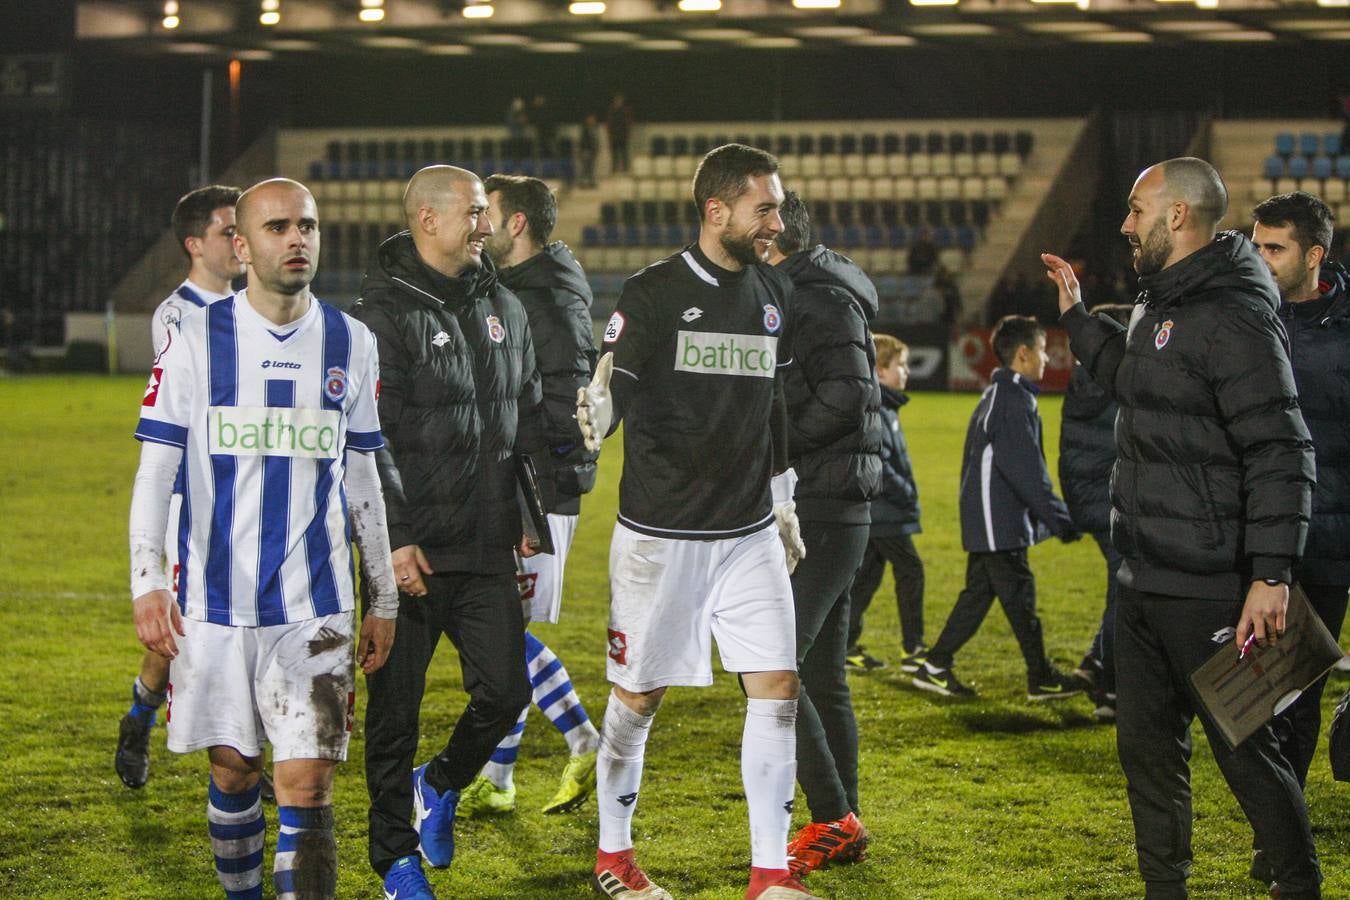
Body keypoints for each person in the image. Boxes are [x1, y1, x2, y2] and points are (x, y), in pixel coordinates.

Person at [1043, 156, 1321, 899]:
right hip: (1139, 575)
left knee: (1247, 756)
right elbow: (1136, 378)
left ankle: (1299, 884)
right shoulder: (1161, 303)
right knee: (1145, 754)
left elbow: (1280, 446)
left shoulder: (1232, 314)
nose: (1125, 225)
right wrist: (1075, 315)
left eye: (1137, 211)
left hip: (1207, 584)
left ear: (1177, 217)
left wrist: (1270, 573)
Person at [129, 177, 398, 899]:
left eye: (306, 226)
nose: (297, 239)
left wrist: (385, 598)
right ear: (242, 246)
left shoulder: (352, 340)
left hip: (316, 607)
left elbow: (364, 478)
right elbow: (156, 470)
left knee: (306, 785)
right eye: (278, 227)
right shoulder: (192, 340)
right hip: (214, 606)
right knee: (233, 770)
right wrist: (149, 582)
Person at [575, 144, 812, 900]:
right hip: (661, 538)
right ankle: (615, 858)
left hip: (747, 535)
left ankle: (769, 875)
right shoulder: (651, 292)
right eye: (763, 207)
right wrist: (600, 409)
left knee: (778, 688)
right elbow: (615, 387)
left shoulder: (771, 293)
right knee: (639, 699)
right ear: (717, 212)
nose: (776, 219)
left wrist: (783, 500)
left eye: (776, 206)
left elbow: (770, 405)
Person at [353, 165, 548, 900]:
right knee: (393, 714)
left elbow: (521, 416)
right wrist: (393, 540)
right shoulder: (379, 316)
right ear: (428, 221)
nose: (486, 225)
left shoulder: (503, 302)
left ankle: (438, 784)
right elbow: (368, 440)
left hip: (485, 540)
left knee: (505, 692)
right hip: (407, 551)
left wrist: (527, 512)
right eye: (472, 213)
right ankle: (394, 861)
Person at [451, 173, 601, 819]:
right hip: (515, 485)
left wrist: (542, 495)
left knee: (494, 633)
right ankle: (502, 776)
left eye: (490, 213)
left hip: (532, 494)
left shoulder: (551, 301)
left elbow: (571, 409)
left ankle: (583, 737)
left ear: (517, 224)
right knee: (504, 632)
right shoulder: (523, 289)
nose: (480, 224)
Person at [765, 191, 882, 879]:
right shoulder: (808, 292)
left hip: (824, 505)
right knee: (824, 678)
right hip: (833, 503)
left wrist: (775, 445)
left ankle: (832, 815)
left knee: (774, 661)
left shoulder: (819, 300)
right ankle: (846, 821)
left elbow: (847, 396)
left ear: (776, 237)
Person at [116, 183, 244, 791]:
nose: (240, 239)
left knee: (254, 621)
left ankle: (249, 750)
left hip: (247, 497)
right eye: (228, 230)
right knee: (180, 634)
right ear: (195, 244)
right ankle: (141, 717)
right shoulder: (177, 315)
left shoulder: (256, 305)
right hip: (187, 502)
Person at [1249, 191, 1348, 884]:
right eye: (1254, 245)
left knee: (1298, 693)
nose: (1259, 259)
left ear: (1315, 256)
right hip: (1272, 539)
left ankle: (1279, 835)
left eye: (1273, 248)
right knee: (1268, 695)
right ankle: (1277, 832)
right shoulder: (1246, 315)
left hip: (1334, 533)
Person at [911, 315, 1084, 701]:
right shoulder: (1011, 399)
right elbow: (1026, 471)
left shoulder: (1001, 394)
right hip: (997, 521)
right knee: (1020, 597)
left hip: (990, 518)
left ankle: (936, 665)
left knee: (979, 596)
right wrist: (1060, 520)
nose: (1046, 358)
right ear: (1023, 354)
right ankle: (1041, 677)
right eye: (1041, 350)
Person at [1059, 303, 1132, 723]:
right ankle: (1103, 672)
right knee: (1127, 589)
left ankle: (1102, 676)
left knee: (1120, 584)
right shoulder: (1118, 380)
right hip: (1112, 498)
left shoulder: (1082, 381)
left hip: (1086, 497)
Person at [847, 333, 926, 675]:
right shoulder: (877, 408)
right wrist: (905, 492)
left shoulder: (887, 405)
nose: (906, 372)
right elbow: (879, 462)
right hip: (884, 511)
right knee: (911, 571)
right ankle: (914, 650)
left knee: (865, 579)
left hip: (881, 511)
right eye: (900, 365)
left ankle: (845, 645)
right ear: (879, 370)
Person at [605, 92, 633, 175]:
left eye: (620, 100)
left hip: (623, 135)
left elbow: (629, 122)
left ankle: (625, 169)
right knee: (614, 154)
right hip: (614, 136)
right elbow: (609, 123)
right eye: (617, 100)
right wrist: (610, 134)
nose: (619, 102)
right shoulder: (611, 110)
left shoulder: (626, 110)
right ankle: (614, 169)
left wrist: (627, 133)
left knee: (624, 153)